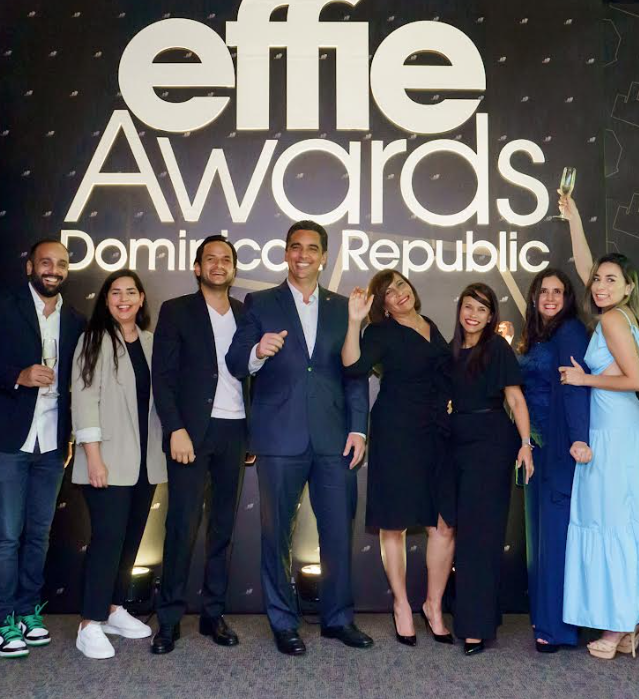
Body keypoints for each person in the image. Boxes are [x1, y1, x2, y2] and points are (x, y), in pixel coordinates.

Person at [225, 221, 372, 656]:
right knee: (275, 536)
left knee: (338, 532)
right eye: (295, 247)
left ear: (324, 256)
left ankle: (338, 618)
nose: (302, 255)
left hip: (333, 438)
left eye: (311, 248)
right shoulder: (260, 303)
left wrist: (358, 427)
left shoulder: (345, 307)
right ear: (286, 253)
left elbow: (355, 373)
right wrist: (258, 351)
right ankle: (283, 622)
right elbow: (235, 360)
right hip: (278, 436)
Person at [559, 193, 639, 660]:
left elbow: (636, 381)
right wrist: (574, 219)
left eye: (612, 280)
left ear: (628, 288)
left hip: (618, 435)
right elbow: (587, 267)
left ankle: (617, 627)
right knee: (624, 525)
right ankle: (636, 620)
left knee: (612, 525)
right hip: (621, 432)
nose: (600, 285)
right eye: (597, 279)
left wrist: (582, 378)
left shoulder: (611, 320)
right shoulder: (621, 314)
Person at [0, 239, 87, 658]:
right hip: (9, 438)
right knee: (7, 536)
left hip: (53, 443)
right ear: (30, 267)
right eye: (46, 262)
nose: (53, 270)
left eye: (61, 264)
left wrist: (72, 436)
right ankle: (2, 619)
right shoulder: (0, 308)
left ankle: (27, 610)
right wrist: (17, 376)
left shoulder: (75, 320)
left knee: (39, 534)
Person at [342, 270, 454, 646]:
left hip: (436, 433)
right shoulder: (380, 332)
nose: (399, 294)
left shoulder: (430, 324)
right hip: (397, 433)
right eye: (389, 293)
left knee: (443, 523)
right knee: (394, 524)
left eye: (401, 285)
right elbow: (353, 367)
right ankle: (402, 605)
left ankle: (433, 606)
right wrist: (354, 322)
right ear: (384, 305)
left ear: (411, 287)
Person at [150, 236, 249, 654]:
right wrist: (175, 428)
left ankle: (213, 614)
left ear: (234, 269)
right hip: (191, 433)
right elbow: (162, 377)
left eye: (226, 259)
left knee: (222, 528)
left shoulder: (247, 313)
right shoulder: (176, 311)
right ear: (197, 267)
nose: (218, 265)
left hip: (236, 431)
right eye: (210, 259)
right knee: (182, 525)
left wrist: (253, 433)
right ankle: (169, 619)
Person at [69, 270, 167, 659]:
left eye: (130, 292)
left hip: (145, 460)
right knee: (108, 539)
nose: (123, 299)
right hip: (106, 459)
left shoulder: (151, 342)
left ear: (141, 299)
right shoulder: (93, 339)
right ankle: (89, 623)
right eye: (115, 292)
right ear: (106, 300)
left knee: (130, 540)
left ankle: (113, 608)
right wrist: (93, 457)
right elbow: (84, 400)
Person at [446, 282, 534, 655]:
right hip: (456, 445)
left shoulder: (496, 348)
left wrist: (526, 444)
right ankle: (480, 616)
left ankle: (475, 628)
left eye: (482, 309)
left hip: (491, 445)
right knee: (465, 535)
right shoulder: (451, 350)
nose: (473, 315)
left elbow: (515, 398)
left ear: (490, 316)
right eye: (469, 306)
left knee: (480, 537)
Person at [515, 269, 592, 653]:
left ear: (568, 298)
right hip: (536, 448)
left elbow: (576, 388)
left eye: (557, 291)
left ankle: (558, 628)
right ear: (534, 296)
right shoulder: (537, 335)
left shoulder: (570, 332)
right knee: (539, 538)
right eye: (543, 291)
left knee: (556, 538)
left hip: (561, 447)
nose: (549, 297)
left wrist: (579, 438)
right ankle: (544, 617)